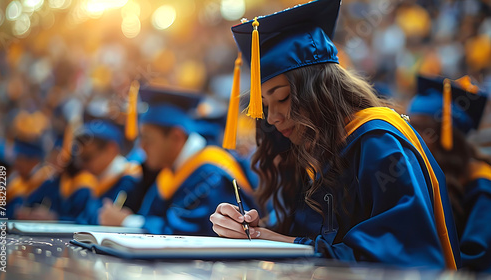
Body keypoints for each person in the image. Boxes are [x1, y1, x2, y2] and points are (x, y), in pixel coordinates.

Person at [210, 0, 460, 269]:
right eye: (265, 105)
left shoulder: (379, 144)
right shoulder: (311, 150)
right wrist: (251, 228)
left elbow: (402, 260)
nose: (271, 118)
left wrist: (275, 242)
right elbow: (308, 234)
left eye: (282, 98)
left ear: (319, 91)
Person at [98, 87, 257, 236]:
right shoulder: (169, 175)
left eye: (147, 139)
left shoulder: (211, 175)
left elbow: (190, 232)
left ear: (176, 137)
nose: (141, 147)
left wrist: (126, 222)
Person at [407, 75, 491, 272]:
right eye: (409, 127)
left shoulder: (481, 184)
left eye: (422, 130)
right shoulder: (423, 173)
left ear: (448, 137)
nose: (412, 137)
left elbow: (476, 258)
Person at [75, 120, 142, 224]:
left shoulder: (128, 181)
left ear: (111, 149)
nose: (82, 165)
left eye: (87, 158)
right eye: (79, 159)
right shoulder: (99, 181)